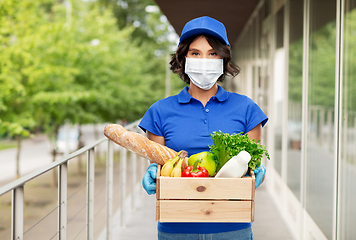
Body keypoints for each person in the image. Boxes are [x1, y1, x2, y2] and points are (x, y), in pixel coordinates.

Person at [139, 16, 268, 240]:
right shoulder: (160, 111)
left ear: (223, 58)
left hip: (232, 228)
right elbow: (159, 163)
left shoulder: (247, 109)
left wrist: (257, 172)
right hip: (177, 228)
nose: (204, 60)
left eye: (212, 53)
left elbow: (252, 165)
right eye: (195, 53)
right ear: (184, 58)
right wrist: (153, 172)